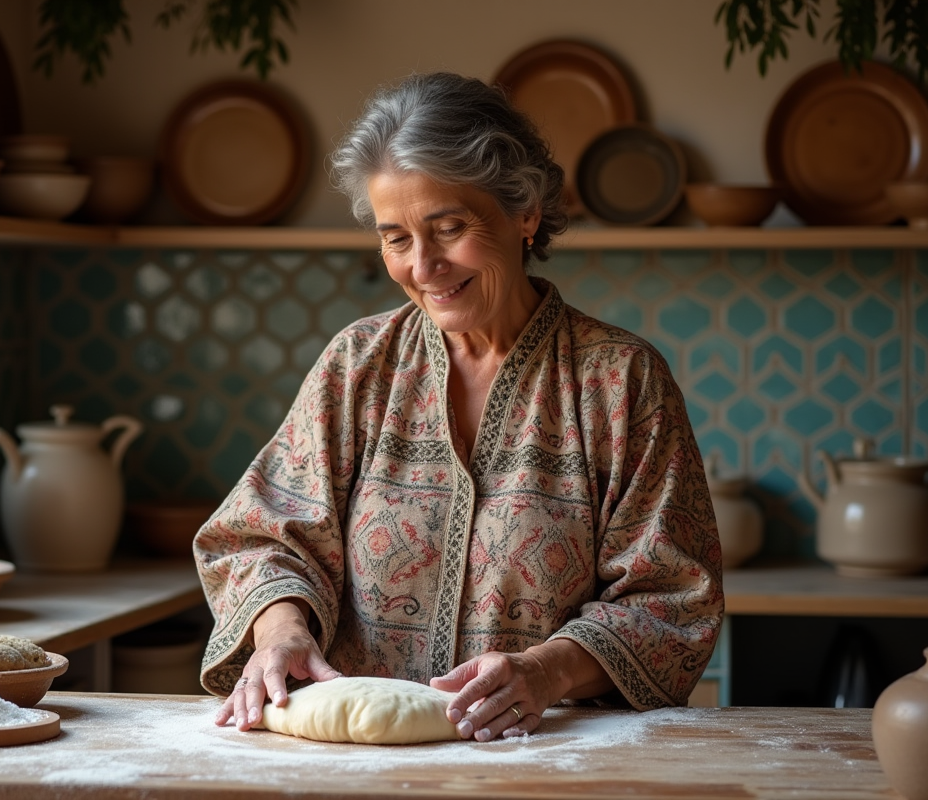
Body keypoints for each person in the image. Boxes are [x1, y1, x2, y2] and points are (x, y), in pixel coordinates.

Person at [193, 71, 724, 742]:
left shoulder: (619, 382)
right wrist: (280, 630)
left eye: (449, 227)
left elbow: (670, 598)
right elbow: (262, 536)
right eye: (396, 238)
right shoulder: (358, 365)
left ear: (525, 212)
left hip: (546, 765)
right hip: (358, 772)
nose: (423, 265)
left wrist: (545, 672)